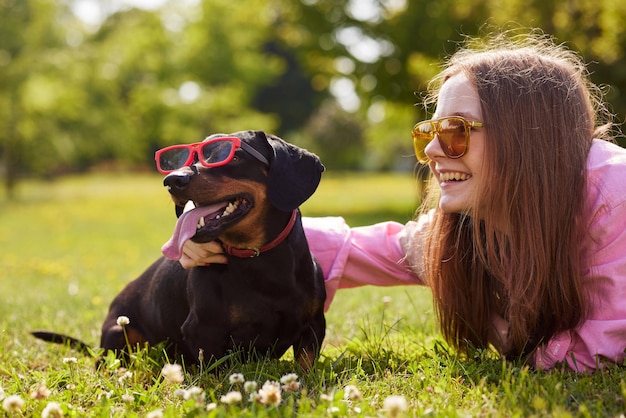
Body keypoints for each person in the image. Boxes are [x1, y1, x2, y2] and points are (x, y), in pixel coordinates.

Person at [172, 32, 626, 372]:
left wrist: (513, 344)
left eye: (456, 131)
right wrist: (215, 232)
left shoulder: (614, 193)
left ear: (530, 139)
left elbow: (598, 347)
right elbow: (357, 250)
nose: (430, 152)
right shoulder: (459, 231)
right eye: (428, 132)